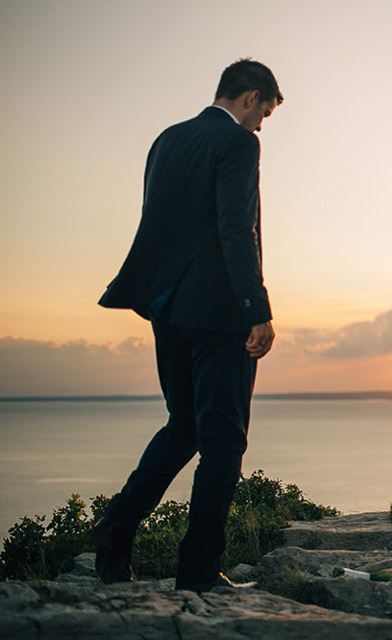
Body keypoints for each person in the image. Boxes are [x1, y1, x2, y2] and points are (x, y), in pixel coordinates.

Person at [92, 59, 282, 592]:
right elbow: (236, 229)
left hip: (168, 310)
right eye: (262, 114)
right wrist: (257, 309)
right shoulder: (239, 144)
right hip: (222, 313)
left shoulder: (167, 140)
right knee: (223, 441)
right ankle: (198, 571)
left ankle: (115, 527)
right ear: (250, 98)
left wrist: (162, 302)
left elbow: (158, 224)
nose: (260, 126)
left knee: (184, 425)